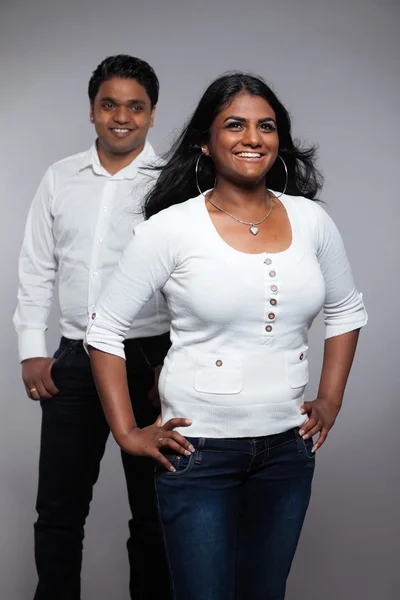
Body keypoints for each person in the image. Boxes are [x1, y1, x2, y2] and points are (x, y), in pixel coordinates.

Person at [86, 72, 368, 600]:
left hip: (287, 450)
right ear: (205, 141)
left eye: (266, 126)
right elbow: (104, 330)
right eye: (234, 124)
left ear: (279, 140)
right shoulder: (170, 229)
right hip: (198, 453)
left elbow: (347, 309)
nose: (252, 138)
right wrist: (127, 432)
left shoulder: (311, 222)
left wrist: (329, 399)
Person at [13, 55, 172, 600]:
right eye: (109, 104)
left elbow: (191, 275)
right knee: (57, 511)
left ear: (152, 115)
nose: (121, 117)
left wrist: (177, 362)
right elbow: (37, 265)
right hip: (76, 358)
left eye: (135, 106)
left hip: (150, 359)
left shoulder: (174, 182)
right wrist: (33, 349)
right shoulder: (60, 178)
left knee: (154, 513)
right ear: (91, 111)